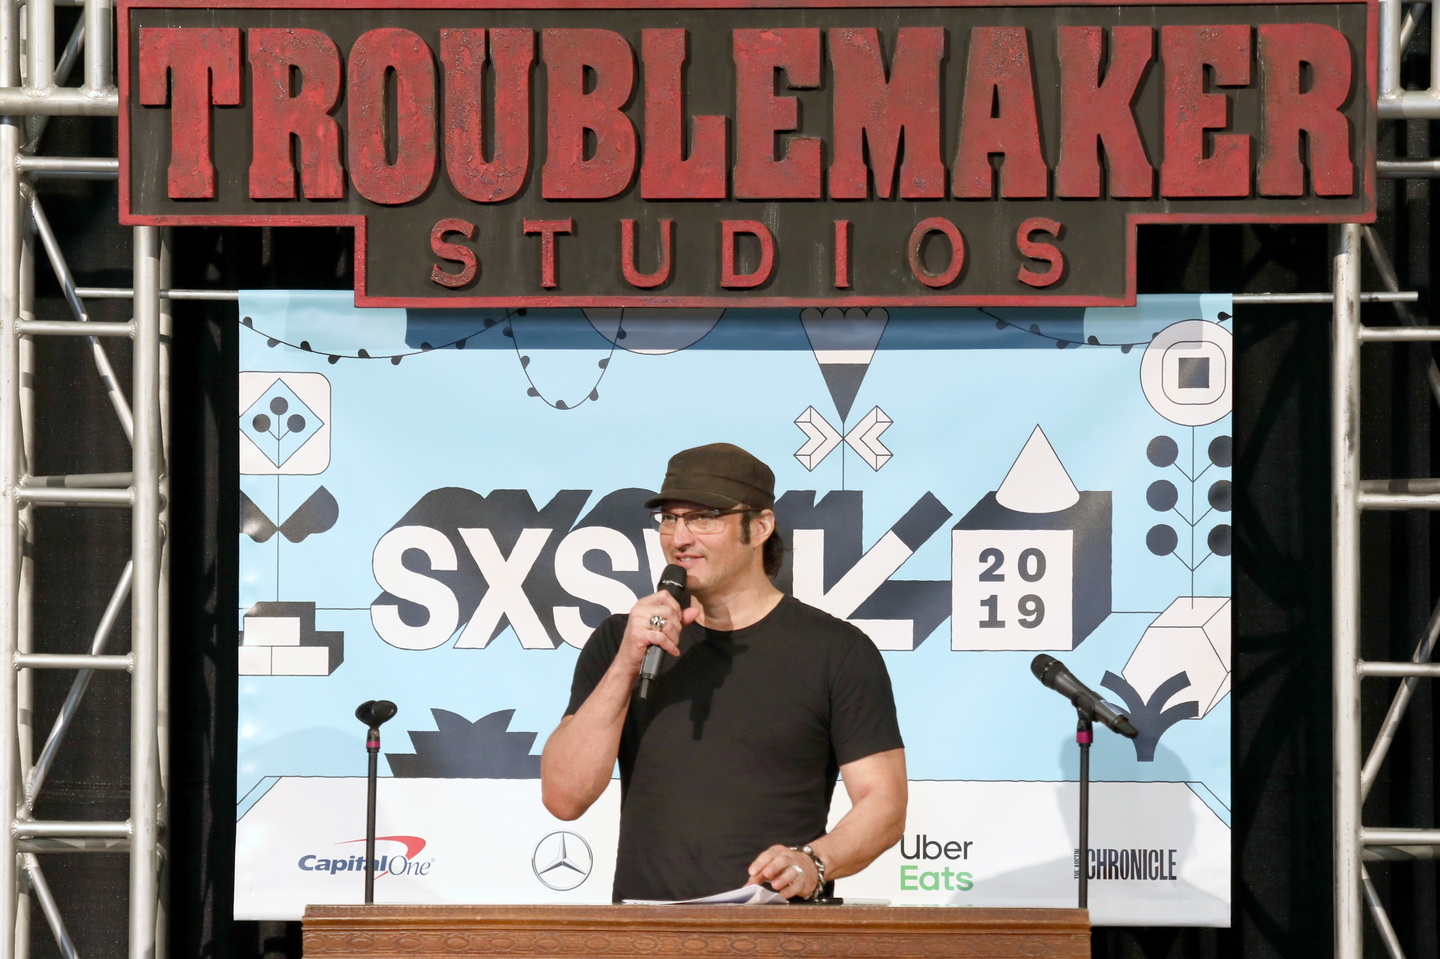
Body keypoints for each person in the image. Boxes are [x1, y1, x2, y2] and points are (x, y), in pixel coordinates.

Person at [540, 443, 907, 902]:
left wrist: (813, 860)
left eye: (703, 518)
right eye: (669, 519)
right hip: (644, 939)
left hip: (781, 939)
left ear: (760, 527)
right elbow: (563, 796)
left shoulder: (836, 651)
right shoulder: (622, 642)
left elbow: (884, 804)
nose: (680, 537)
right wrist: (626, 664)